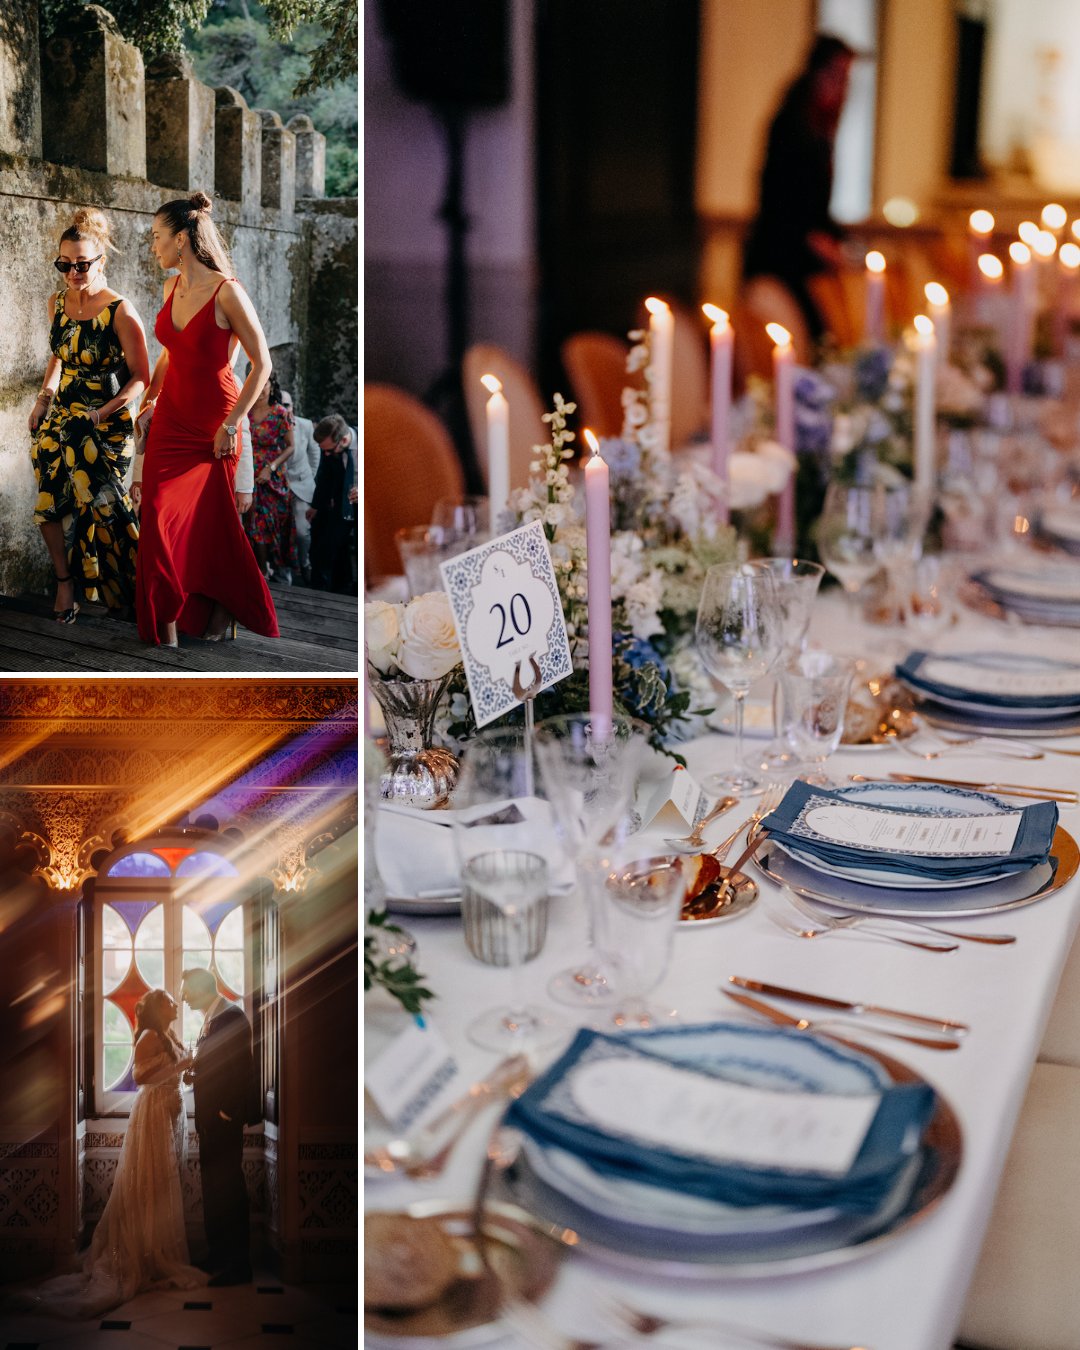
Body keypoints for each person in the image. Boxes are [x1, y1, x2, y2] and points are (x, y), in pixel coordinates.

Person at [134, 190, 280, 646]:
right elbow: (169, 353)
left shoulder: (227, 292)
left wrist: (232, 424)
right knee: (156, 516)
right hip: (172, 417)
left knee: (213, 525)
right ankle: (167, 629)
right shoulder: (170, 286)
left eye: (157, 237)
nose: (152, 246)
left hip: (214, 422)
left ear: (181, 240)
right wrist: (150, 400)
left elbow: (263, 364)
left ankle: (222, 609)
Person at [14, 989, 204, 1318]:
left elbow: (172, 1068)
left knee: (163, 1186)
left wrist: (184, 1072)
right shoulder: (147, 1035)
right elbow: (140, 1076)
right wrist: (179, 1068)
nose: (175, 1004)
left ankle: (158, 1251)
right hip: (153, 1115)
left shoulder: (168, 1033)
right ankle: (143, 1255)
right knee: (148, 1183)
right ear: (159, 1008)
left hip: (169, 1115)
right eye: (169, 1001)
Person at [28, 208, 149, 623]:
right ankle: (66, 585)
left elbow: (140, 378)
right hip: (62, 418)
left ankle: (135, 593)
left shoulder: (120, 310)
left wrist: (99, 415)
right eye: (65, 264)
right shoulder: (57, 303)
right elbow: (59, 356)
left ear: (101, 261)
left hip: (105, 424)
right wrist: (42, 400)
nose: (72, 272)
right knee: (47, 502)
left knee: (107, 509)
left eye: (82, 264)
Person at [742, 33, 856, 341]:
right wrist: (815, 240)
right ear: (817, 73)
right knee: (808, 340)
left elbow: (817, 208)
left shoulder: (818, 128)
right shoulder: (792, 126)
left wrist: (843, 242)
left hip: (800, 261)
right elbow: (781, 200)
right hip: (780, 261)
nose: (845, 88)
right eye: (838, 76)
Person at [181, 966, 259, 1287]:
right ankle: (217, 1256)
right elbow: (216, 1065)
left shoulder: (231, 1017)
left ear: (201, 989)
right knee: (214, 1189)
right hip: (210, 1120)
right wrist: (194, 1074)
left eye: (187, 990)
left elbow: (240, 1069)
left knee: (228, 1190)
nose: (183, 996)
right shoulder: (211, 1019)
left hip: (223, 1120)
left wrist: (227, 1112)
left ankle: (238, 1265)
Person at [245, 373, 294, 579]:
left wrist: (271, 468)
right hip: (248, 473)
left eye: (264, 384)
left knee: (269, 524)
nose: (261, 389)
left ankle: (271, 570)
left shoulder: (280, 413)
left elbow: (291, 447)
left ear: (271, 386)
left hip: (271, 477)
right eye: (256, 384)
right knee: (252, 523)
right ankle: (259, 570)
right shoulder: (245, 411)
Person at [307, 414, 358, 593]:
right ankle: (340, 588)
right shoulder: (329, 449)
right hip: (341, 505)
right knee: (333, 546)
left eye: (329, 450)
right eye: (324, 450)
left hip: (367, 509)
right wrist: (315, 506)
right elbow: (324, 479)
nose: (326, 454)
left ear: (344, 439)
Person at [280, 389, 320, 585]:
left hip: (302, 485)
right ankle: (284, 573)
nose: (284, 408)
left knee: (303, 531)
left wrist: (310, 476)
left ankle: (306, 564)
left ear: (292, 405)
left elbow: (315, 454)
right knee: (281, 532)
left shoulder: (304, 425)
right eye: (280, 404)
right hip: (278, 485)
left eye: (287, 404)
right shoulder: (272, 423)